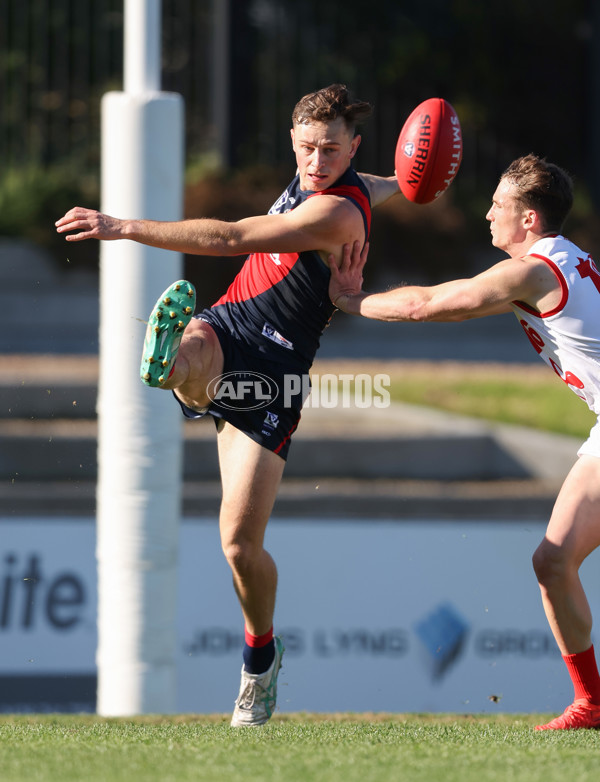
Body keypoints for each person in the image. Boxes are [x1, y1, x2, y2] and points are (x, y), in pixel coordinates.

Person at [55, 84, 400, 726]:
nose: (316, 162)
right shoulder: (345, 181)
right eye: (305, 148)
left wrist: (122, 226)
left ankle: (260, 659)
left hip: (278, 374)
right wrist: (410, 180)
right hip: (231, 323)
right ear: (294, 143)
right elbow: (384, 183)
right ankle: (175, 360)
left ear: (350, 147)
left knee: (239, 546)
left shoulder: (337, 215)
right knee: (194, 350)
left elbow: (235, 233)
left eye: (330, 149)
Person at [328, 153, 600, 730]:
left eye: (499, 205)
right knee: (554, 562)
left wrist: (351, 302)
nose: (486, 214)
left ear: (529, 219)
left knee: (554, 561)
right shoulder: (565, 261)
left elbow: (432, 305)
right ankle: (592, 703)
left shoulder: (535, 270)